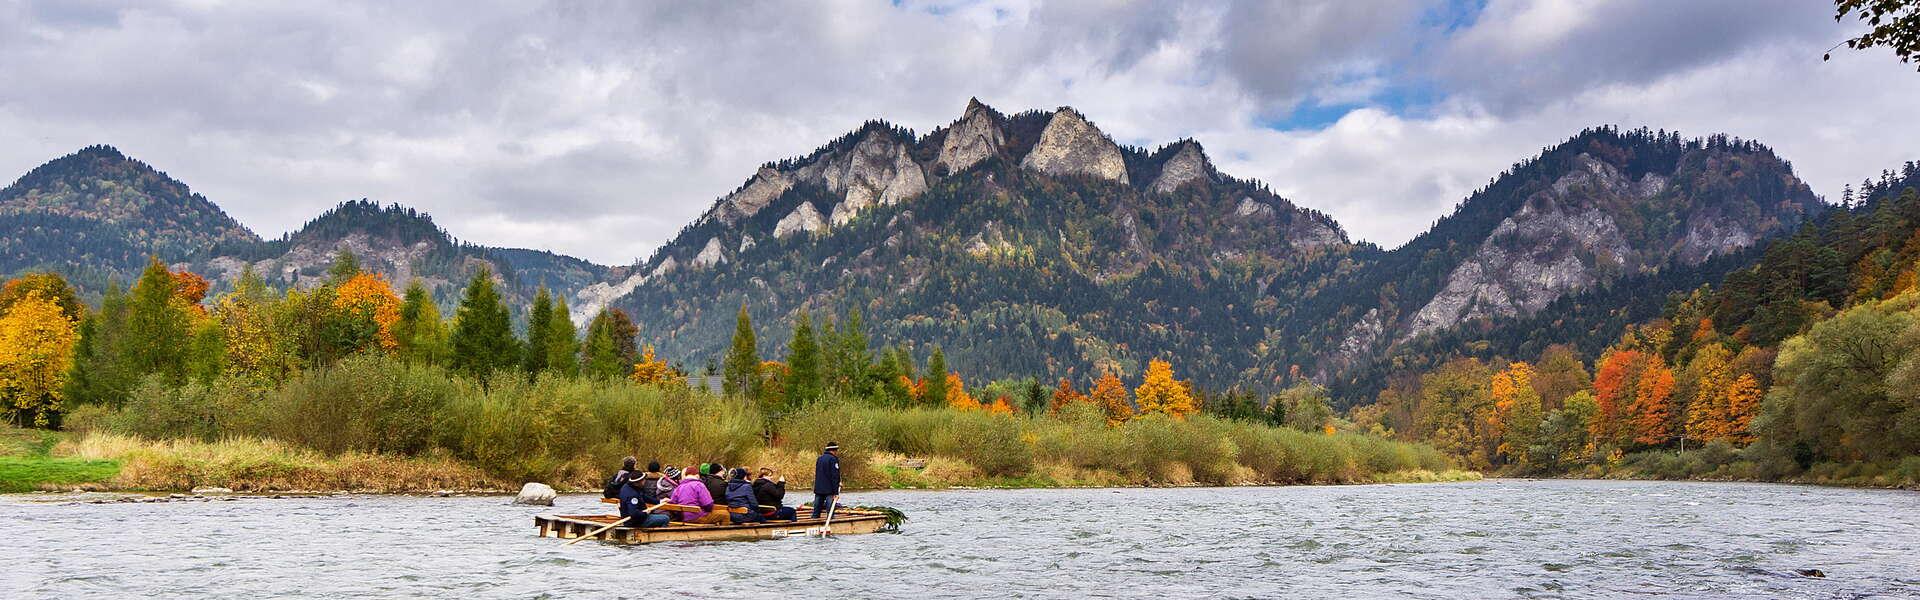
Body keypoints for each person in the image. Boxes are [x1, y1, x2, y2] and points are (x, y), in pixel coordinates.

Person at [619, 460, 672, 528]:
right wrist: (646, 513)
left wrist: (660, 501)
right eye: (643, 480)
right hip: (636, 521)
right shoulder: (632, 496)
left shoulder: (627, 486)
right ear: (638, 482)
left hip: (635, 518)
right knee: (665, 518)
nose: (645, 481)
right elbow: (634, 513)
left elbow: (644, 497)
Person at [811, 442, 841, 519]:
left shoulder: (819, 459)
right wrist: (836, 492)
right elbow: (835, 476)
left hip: (819, 489)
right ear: (833, 451)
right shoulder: (833, 459)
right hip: (829, 490)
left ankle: (814, 521)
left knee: (816, 511)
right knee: (830, 511)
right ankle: (832, 524)